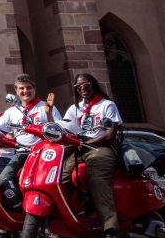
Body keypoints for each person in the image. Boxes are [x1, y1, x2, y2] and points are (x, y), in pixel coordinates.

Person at [61, 73, 122, 238]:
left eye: (86, 84)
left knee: (98, 180)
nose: (82, 88)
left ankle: (110, 228)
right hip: (79, 149)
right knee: (61, 179)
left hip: (101, 148)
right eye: (78, 86)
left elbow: (110, 134)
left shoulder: (107, 105)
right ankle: (66, 221)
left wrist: (89, 142)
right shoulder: (74, 108)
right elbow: (65, 129)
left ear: (93, 84)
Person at [0, 74, 59, 192]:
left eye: (28, 88)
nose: (25, 91)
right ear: (16, 91)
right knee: (0, 183)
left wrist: (49, 113)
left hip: (42, 153)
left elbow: (58, 131)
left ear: (34, 89)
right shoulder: (11, 111)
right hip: (20, 154)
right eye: (21, 88)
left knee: (38, 184)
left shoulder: (45, 106)